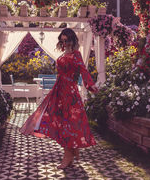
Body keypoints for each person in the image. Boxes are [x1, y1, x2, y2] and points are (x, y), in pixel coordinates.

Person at [20, 28, 99, 169]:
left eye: (67, 40)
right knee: (58, 121)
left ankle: (68, 154)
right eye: (62, 40)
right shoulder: (64, 54)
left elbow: (84, 72)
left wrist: (92, 87)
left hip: (70, 93)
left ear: (72, 40)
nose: (64, 43)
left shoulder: (76, 55)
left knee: (68, 123)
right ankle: (72, 150)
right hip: (59, 91)